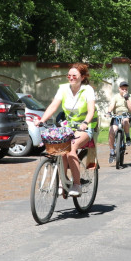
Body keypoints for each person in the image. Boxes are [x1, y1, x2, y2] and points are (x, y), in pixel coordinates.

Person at [33, 63, 97, 197]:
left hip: (87, 126)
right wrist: (42, 120)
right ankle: (63, 181)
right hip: (68, 127)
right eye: (69, 75)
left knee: (71, 148)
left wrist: (85, 122)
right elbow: (53, 107)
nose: (71, 78)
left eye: (74, 75)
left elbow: (91, 110)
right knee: (60, 150)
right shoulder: (63, 89)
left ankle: (77, 185)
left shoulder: (88, 90)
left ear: (83, 77)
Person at [108, 80, 131, 161]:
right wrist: (109, 112)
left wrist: (127, 99)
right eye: (123, 89)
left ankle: (128, 137)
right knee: (112, 131)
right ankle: (112, 152)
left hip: (125, 116)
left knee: (125, 121)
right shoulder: (115, 96)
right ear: (119, 89)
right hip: (116, 116)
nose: (124, 90)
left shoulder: (129, 96)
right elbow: (112, 105)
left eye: (126, 89)